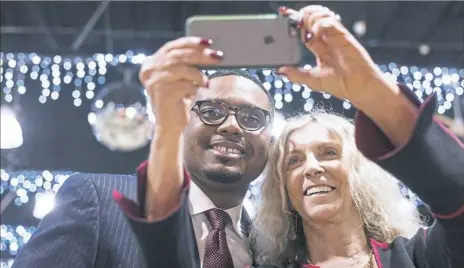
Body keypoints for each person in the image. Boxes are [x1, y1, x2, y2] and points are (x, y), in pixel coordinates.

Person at [117, 4, 463, 268]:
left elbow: (456, 195)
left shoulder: (420, 257)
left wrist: (369, 89)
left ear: (361, 172)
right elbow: (166, 255)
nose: (311, 168)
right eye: (293, 161)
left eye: (328, 152)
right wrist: (167, 129)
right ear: (282, 190)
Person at [12, 66, 274, 267]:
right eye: (212, 111)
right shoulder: (99, 202)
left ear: (271, 142)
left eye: (252, 118)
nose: (231, 126)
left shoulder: (272, 249)